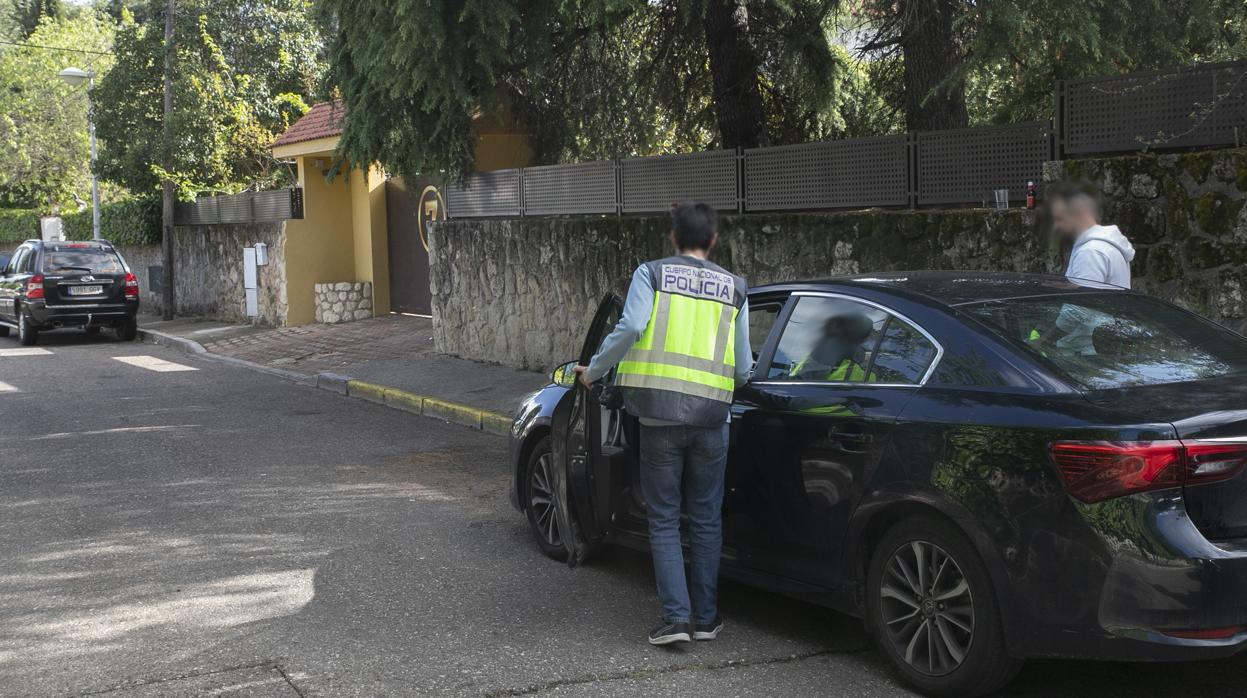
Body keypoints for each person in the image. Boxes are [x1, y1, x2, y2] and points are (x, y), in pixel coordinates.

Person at [574, 202, 750, 646]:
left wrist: (593, 371)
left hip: (658, 418)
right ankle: (707, 619)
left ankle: (677, 621)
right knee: (708, 517)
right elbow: (744, 369)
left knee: (665, 517)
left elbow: (631, 326)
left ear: (674, 239)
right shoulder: (736, 288)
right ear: (711, 241)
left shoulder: (651, 274)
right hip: (713, 419)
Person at [1033, 183, 1137, 355]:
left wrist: (1043, 342)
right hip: (1102, 345)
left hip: (1085, 351)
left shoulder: (1091, 251)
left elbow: (1078, 310)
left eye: (1060, 219)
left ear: (1079, 214)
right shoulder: (1106, 247)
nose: (1057, 226)